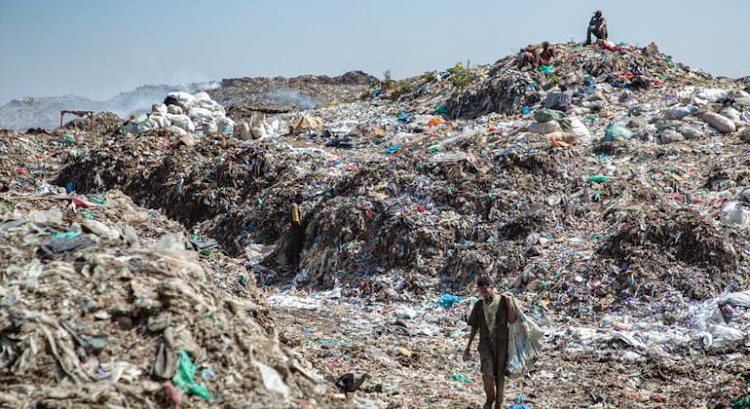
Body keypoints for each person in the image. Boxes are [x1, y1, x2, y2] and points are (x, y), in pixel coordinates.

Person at [463, 275, 517, 409]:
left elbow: (512, 320)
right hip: (485, 344)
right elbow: (474, 326)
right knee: (487, 373)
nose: (484, 294)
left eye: (486, 291)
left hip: (502, 344)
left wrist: (510, 304)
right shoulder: (479, 305)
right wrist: (468, 346)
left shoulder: (504, 301)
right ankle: (489, 399)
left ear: (492, 287)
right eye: (481, 292)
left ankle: (498, 403)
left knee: (499, 375)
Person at [288, 193, 305, 269]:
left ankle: (293, 264)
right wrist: (301, 228)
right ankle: (295, 265)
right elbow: (296, 219)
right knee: (297, 247)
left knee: (294, 246)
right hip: (295, 230)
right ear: (298, 198)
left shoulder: (293, 205)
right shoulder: (295, 206)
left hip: (293, 229)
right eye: (301, 199)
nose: (302, 201)